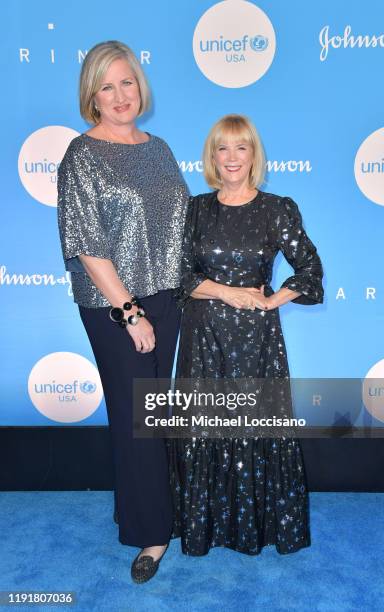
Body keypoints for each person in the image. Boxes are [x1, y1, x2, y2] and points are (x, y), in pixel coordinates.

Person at [57, 40, 189, 583]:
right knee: (137, 421)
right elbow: (87, 245)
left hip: (167, 298)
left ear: (141, 86)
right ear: (92, 95)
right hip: (118, 308)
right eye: (106, 86)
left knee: (153, 415)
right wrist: (131, 312)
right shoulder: (80, 156)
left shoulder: (157, 148)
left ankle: (138, 507)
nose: (120, 95)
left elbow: (180, 226)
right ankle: (151, 535)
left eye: (127, 82)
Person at [167, 114, 324, 556]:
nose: (232, 157)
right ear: (212, 155)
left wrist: (270, 301)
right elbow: (179, 275)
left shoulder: (278, 208)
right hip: (203, 340)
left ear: (253, 155)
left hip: (256, 343)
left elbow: (310, 271)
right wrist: (228, 292)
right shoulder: (195, 208)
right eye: (223, 148)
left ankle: (254, 530)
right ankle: (203, 528)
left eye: (241, 148)